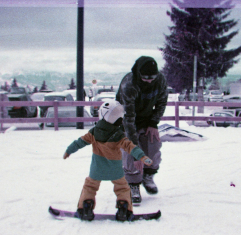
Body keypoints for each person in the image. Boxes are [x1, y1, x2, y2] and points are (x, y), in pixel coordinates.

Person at [63, 99, 153, 221]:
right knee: (122, 188)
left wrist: (69, 150)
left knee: (90, 186)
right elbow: (130, 147)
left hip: (97, 169)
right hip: (115, 170)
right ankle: (124, 208)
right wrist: (142, 156)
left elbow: (80, 142)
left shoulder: (94, 132)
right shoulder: (119, 135)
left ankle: (86, 207)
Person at [116, 56, 168, 203]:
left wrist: (153, 123)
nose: (150, 81)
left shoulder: (160, 80)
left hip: (146, 118)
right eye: (146, 78)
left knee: (153, 144)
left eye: (153, 77)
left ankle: (147, 175)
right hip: (126, 119)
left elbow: (162, 102)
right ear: (139, 74)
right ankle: (132, 184)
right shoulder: (129, 85)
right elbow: (128, 117)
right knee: (130, 152)